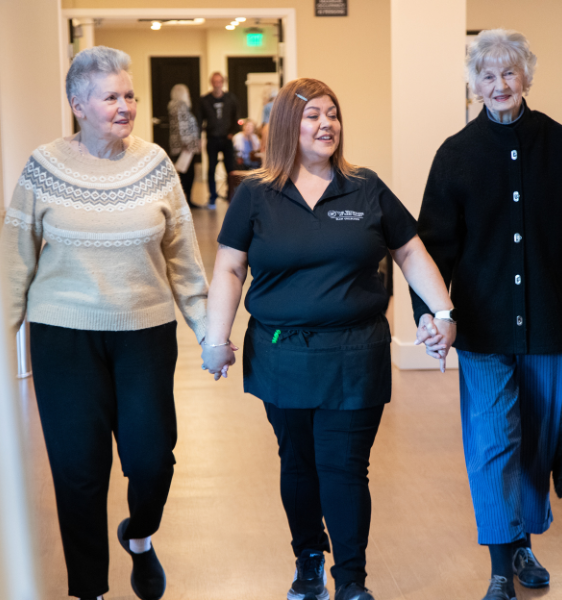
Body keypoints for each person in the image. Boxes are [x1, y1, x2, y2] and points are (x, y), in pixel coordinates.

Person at [200, 78, 456, 600]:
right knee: (297, 461)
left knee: (343, 464)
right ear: (289, 128)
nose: (326, 124)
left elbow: (410, 252)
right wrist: (215, 337)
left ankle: (352, 581)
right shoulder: (256, 194)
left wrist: (443, 311)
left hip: (354, 351)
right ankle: (309, 557)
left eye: (333, 114)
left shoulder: (365, 187)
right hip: (281, 351)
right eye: (313, 115)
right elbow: (229, 267)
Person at [410, 29, 562, 600]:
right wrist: (432, 317)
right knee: (493, 439)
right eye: (486, 75)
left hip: (551, 327)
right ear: (472, 85)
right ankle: (501, 564)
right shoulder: (456, 154)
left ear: (525, 76)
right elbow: (432, 249)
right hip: (482, 329)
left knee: (538, 444)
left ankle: (524, 542)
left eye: (508, 73)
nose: (498, 85)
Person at [0, 46, 209, 600]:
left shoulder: (155, 164)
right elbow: (15, 259)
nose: (125, 106)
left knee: (151, 457)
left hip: (144, 331)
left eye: (130, 95)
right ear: (78, 105)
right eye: (111, 96)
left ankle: (139, 535)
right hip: (62, 335)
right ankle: (89, 589)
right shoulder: (44, 166)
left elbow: (184, 258)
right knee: (78, 471)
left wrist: (208, 330)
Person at [199, 71, 239, 209]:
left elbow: (236, 116)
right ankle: (212, 198)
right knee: (211, 169)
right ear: (211, 83)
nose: (217, 85)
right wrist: (199, 138)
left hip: (227, 139)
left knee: (231, 169)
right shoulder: (204, 100)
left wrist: (232, 133)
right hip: (212, 139)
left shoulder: (231, 99)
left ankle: (231, 196)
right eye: (214, 82)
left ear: (223, 83)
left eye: (219, 82)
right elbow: (200, 120)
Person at [168, 83, 201, 208]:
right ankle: (186, 200)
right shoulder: (180, 106)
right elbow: (182, 126)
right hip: (185, 147)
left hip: (181, 145)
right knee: (186, 174)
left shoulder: (175, 106)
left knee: (183, 173)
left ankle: (185, 200)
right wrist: (187, 143)